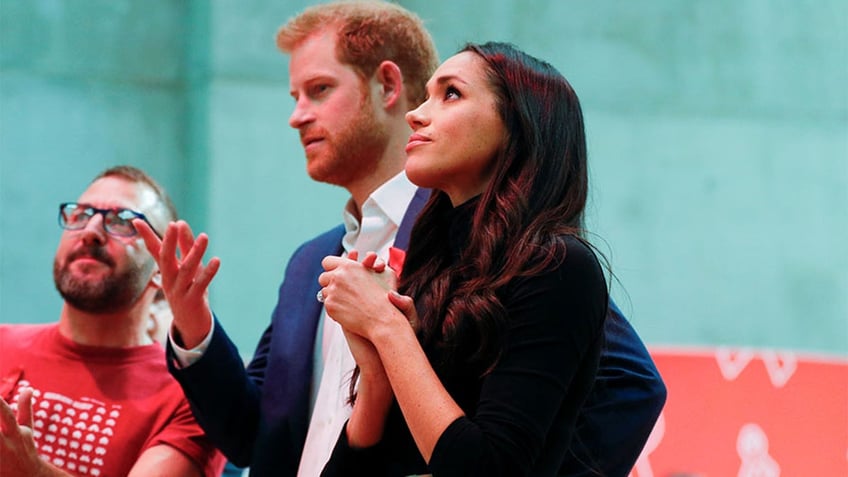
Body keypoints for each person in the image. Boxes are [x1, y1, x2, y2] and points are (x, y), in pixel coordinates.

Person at [136, 2, 665, 476]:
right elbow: (255, 435)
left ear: (387, 86)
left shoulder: (506, 244)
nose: (297, 115)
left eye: (319, 90)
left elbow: (625, 386)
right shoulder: (311, 262)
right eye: (295, 95)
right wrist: (195, 327)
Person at [317, 39, 614, 476]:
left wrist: (387, 327)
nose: (416, 114)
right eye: (425, 96)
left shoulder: (558, 266)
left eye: (451, 93)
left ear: (517, 125)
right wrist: (377, 372)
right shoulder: (431, 265)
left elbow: (487, 467)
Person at [0, 166, 225, 477]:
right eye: (79, 215)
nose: (90, 231)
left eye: (122, 222)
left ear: (162, 269)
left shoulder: (191, 398)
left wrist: (34, 473)